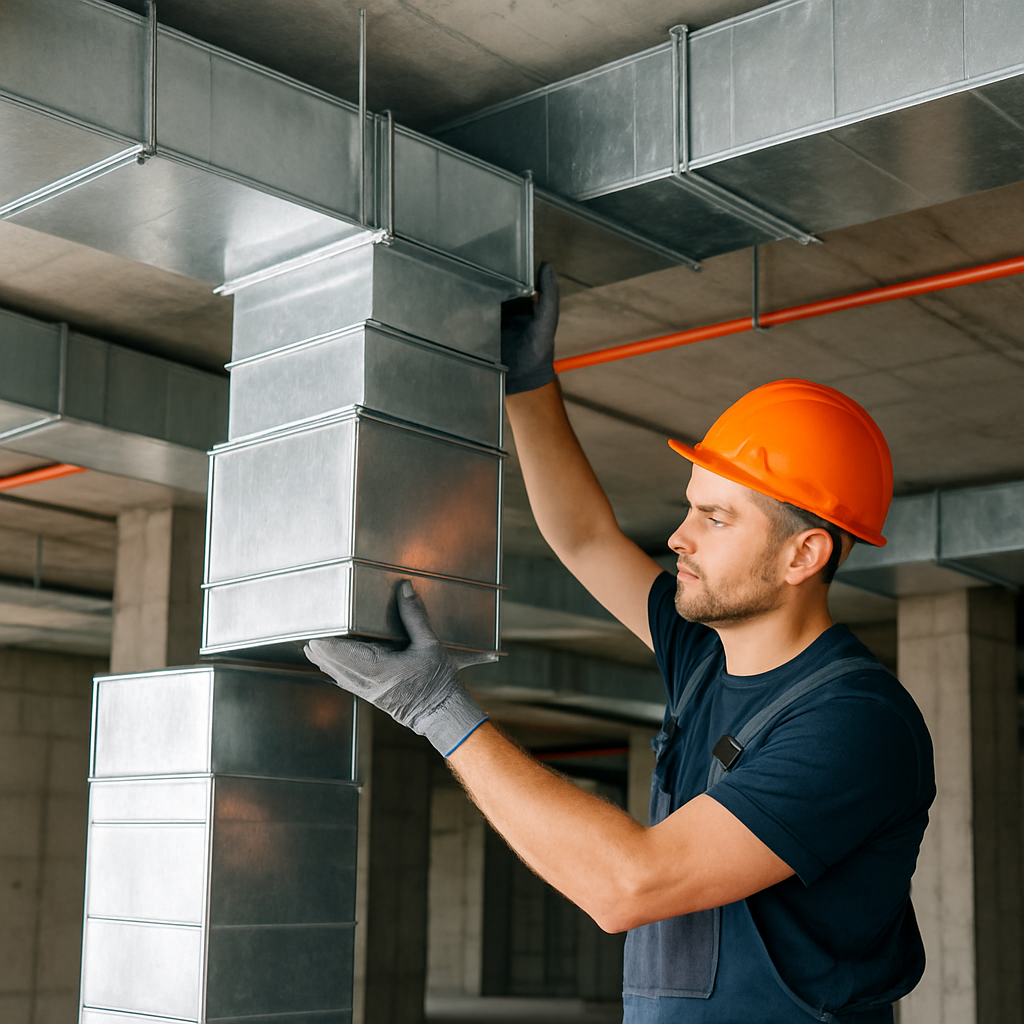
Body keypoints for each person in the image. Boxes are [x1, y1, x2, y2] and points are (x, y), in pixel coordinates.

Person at [305, 264, 935, 1023]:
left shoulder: (854, 724)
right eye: (691, 507)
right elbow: (585, 537)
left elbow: (630, 884)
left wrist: (436, 708)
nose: (679, 537)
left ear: (804, 555)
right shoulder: (703, 654)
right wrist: (527, 383)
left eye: (717, 519)